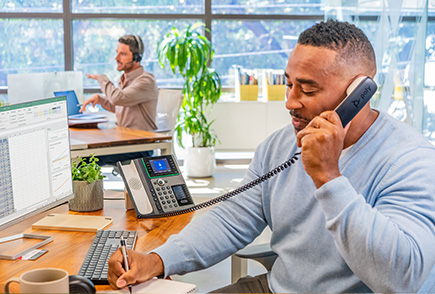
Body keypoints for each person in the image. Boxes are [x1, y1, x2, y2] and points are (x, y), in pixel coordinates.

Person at [107, 20, 435, 293]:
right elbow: (231, 219)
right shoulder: (280, 146)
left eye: (307, 90)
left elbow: (401, 278)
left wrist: (328, 177)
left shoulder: (410, 159)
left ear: (358, 95)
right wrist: (158, 259)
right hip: (277, 287)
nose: (291, 102)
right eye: (288, 85)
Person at [81, 34, 159, 165]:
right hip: (124, 141)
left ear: (136, 57)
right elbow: (119, 106)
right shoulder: (124, 79)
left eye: (122, 54)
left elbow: (118, 99)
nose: (117, 58)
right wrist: (100, 99)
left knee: (85, 159)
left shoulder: (146, 81)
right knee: (84, 153)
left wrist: (102, 79)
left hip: (139, 146)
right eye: (117, 53)